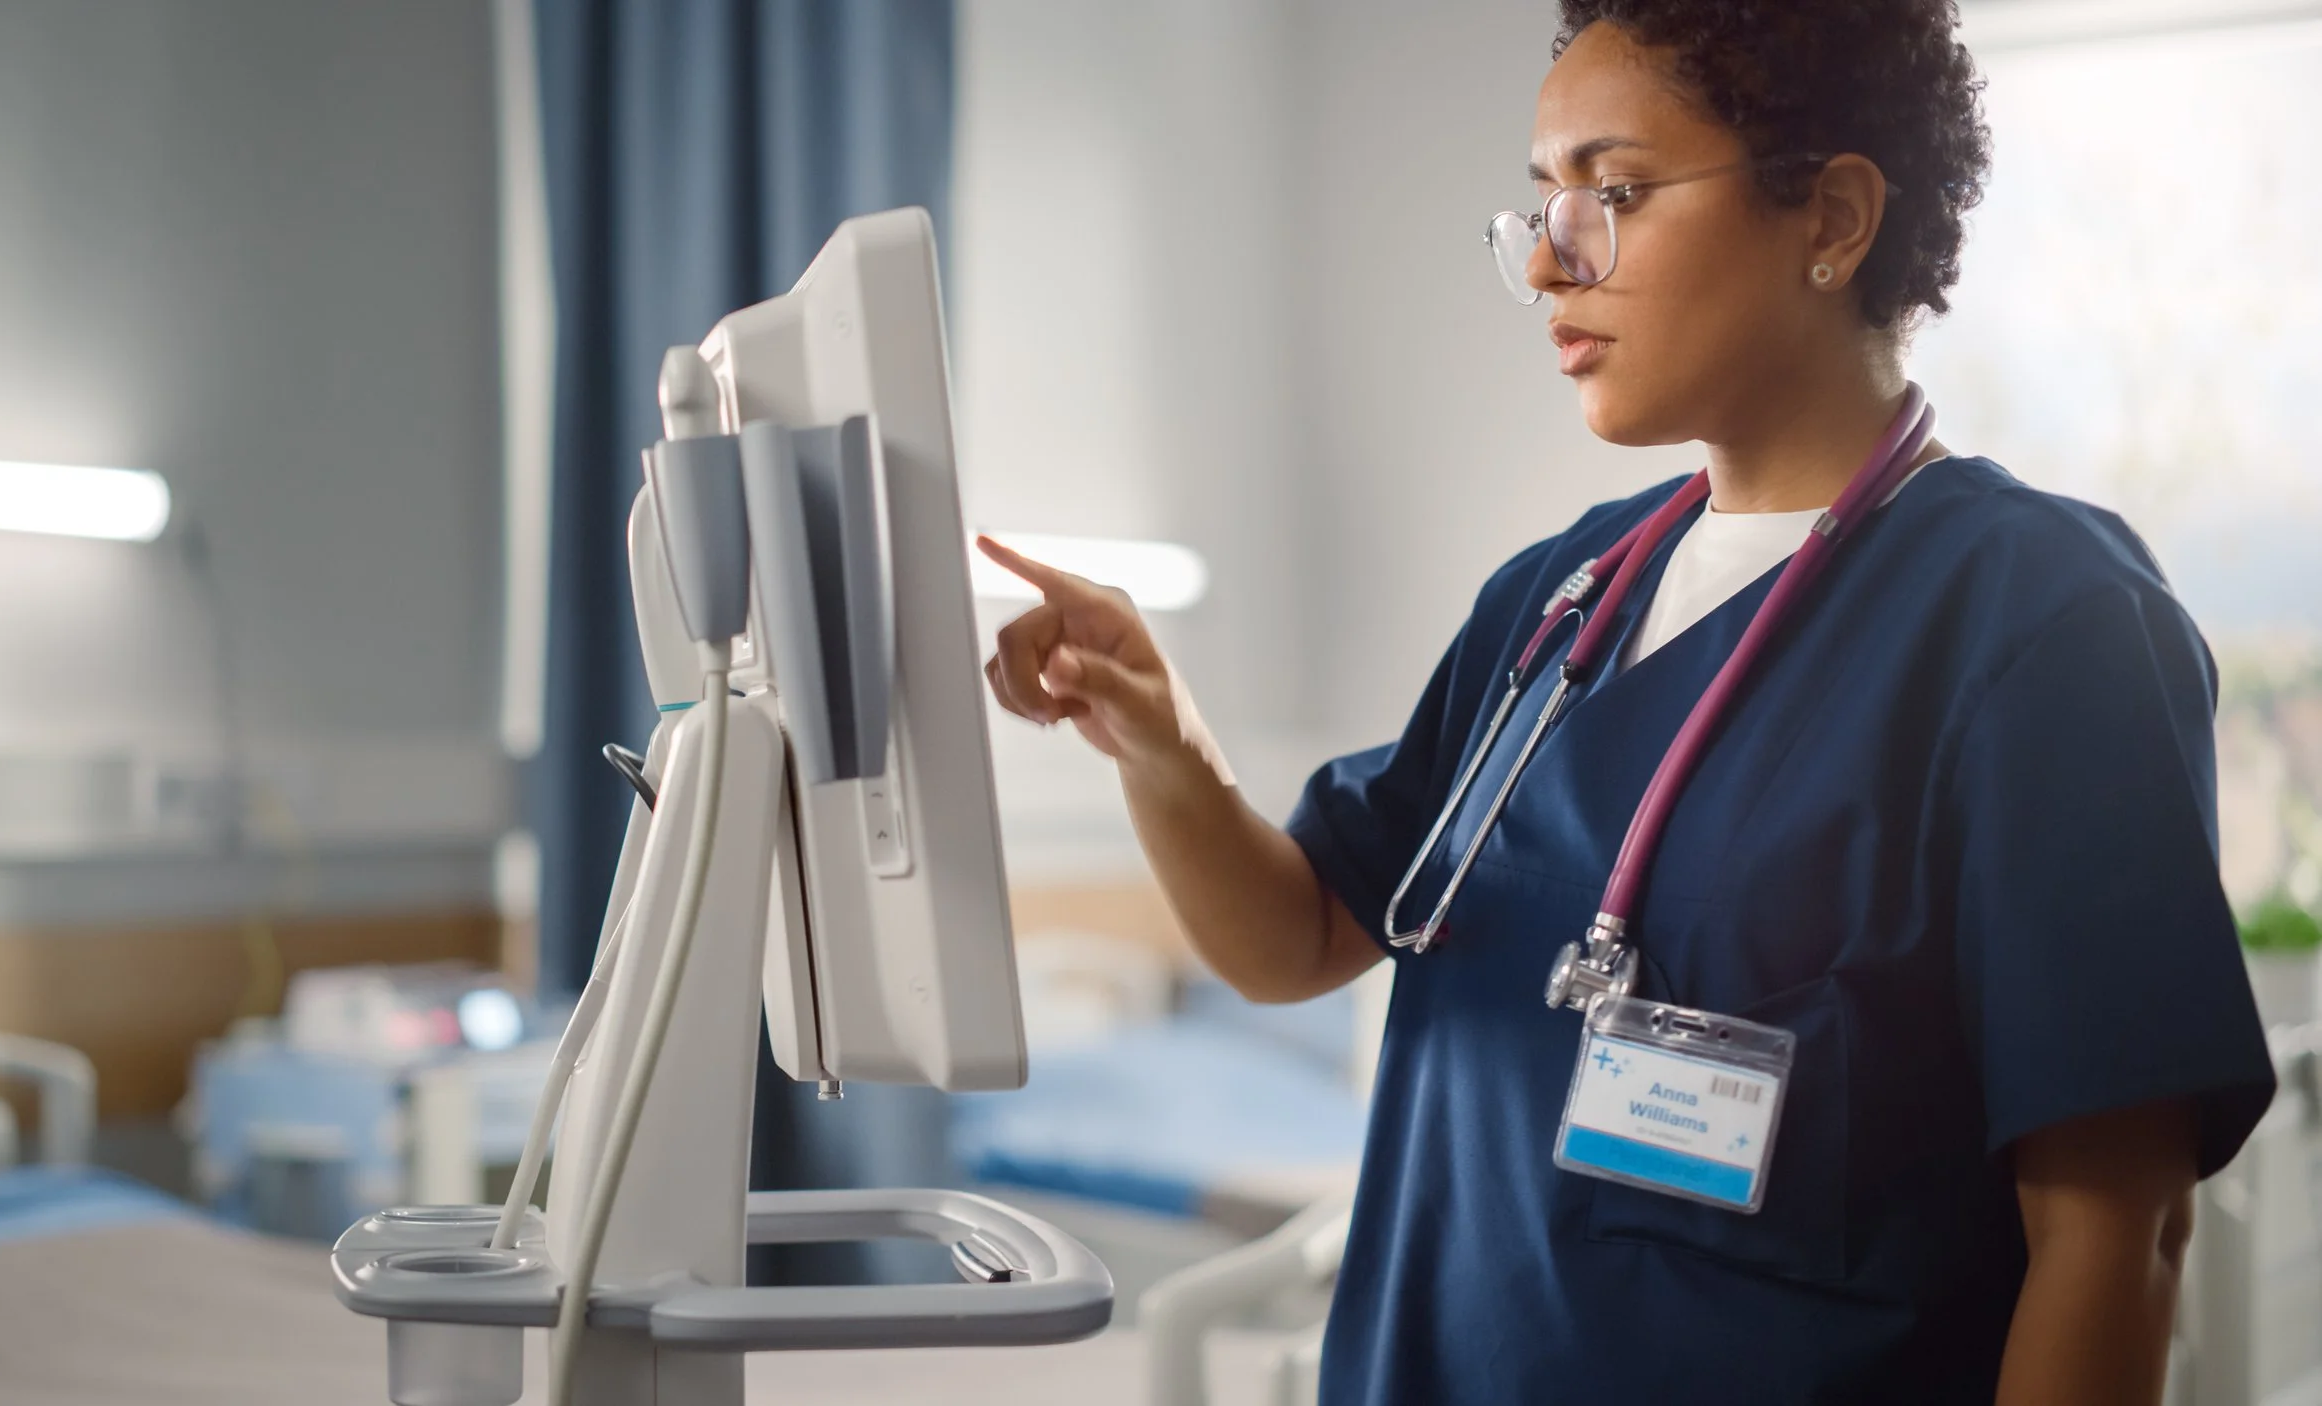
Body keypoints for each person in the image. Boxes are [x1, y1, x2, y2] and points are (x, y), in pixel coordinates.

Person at [976, 2, 2279, 1403]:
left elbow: (2115, 1237)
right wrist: (1158, 739)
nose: (1547, 259)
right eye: (1540, 203)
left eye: (1613, 193)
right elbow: (1294, 934)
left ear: (1830, 215)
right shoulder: (1558, 596)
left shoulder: (2045, 624)